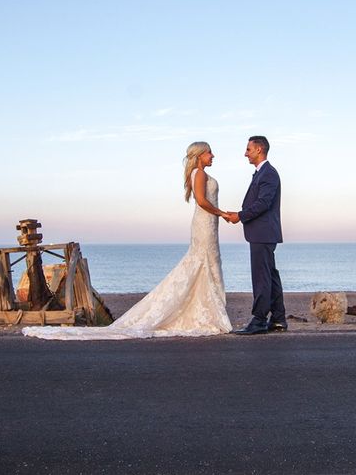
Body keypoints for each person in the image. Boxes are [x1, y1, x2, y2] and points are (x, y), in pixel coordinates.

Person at [22, 142, 233, 340]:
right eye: (209, 152)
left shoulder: (200, 173)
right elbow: (202, 200)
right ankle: (207, 312)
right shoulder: (200, 173)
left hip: (207, 224)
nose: (212, 155)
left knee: (206, 262)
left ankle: (206, 309)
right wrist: (223, 214)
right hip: (205, 223)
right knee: (203, 262)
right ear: (199, 156)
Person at [224, 135, 286, 335]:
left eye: (248, 149)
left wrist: (240, 216)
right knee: (271, 276)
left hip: (263, 232)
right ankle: (278, 319)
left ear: (259, 149)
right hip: (263, 232)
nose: (245, 153)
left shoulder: (268, 173)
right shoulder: (262, 173)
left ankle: (259, 320)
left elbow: (263, 203)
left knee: (261, 277)